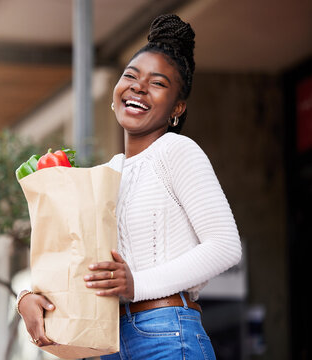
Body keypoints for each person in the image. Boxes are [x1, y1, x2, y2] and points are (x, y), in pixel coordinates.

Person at [16, 14, 241, 359]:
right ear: (115, 93)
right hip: (108, 340)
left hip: (166, 334)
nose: (138, 86)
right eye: (131, 76)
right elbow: (76, 260)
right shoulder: (106, 174)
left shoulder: (175, 150)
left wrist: (137, 284)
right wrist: (27, 299)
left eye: (158, 83)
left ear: (177, 108)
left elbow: (225, 246)